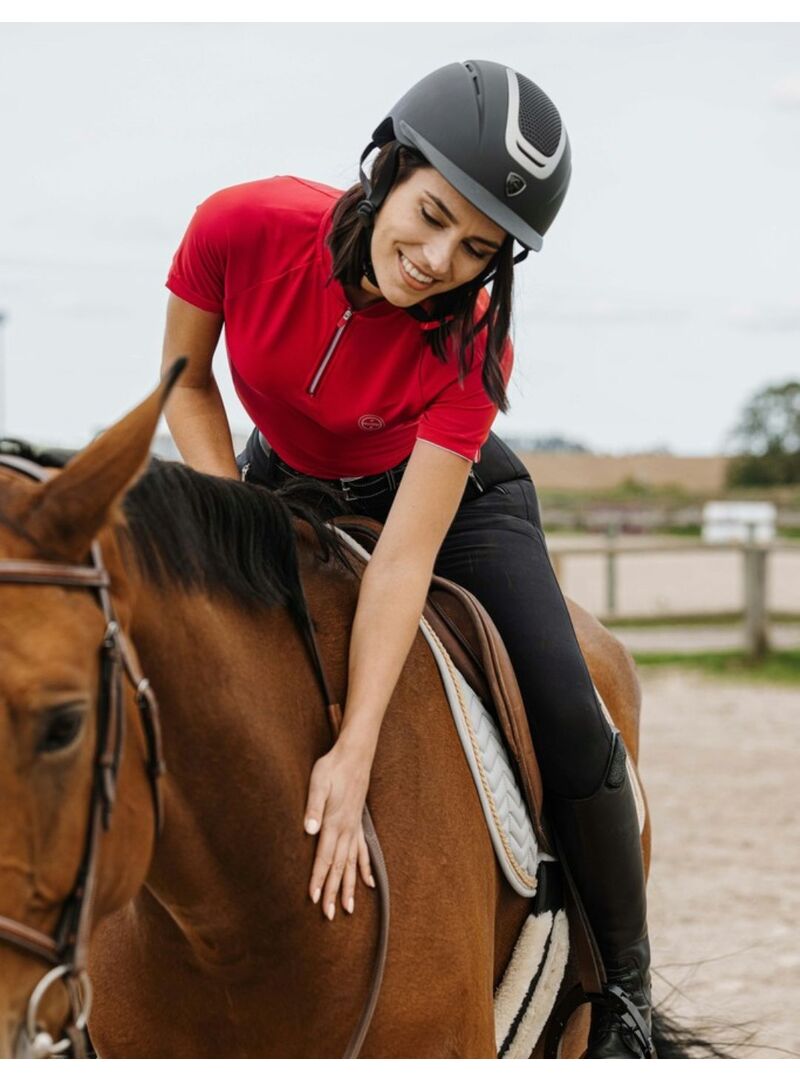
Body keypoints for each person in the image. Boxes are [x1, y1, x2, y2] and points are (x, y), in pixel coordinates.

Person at [161, 59, 653, 1058]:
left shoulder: (473, 339)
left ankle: (630, 1001)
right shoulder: (238, 225)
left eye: (476, 249)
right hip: (279, 482)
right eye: (429, 215)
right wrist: (226, 516)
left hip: (448, 505)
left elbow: (400, 563)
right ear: (387, 165)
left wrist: (352, 752)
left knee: (564, 701)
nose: (437, 261)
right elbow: (186, 381)